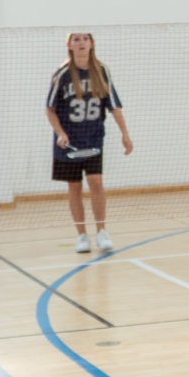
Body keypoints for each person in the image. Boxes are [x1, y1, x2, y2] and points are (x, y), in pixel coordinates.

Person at [46, 32, 133, 253]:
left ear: (92, 43)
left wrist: (125, 133)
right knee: (74, 187)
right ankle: (81, 236)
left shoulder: (101, 71)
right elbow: (50, 108)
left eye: (85, 39)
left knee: (96, 183)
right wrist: (60, 133)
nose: (81, 43)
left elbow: (113, 105)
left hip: (93, 137)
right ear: (69, 45)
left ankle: (102, 231)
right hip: (69, 143)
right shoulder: (62, 74)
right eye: (76, 39)